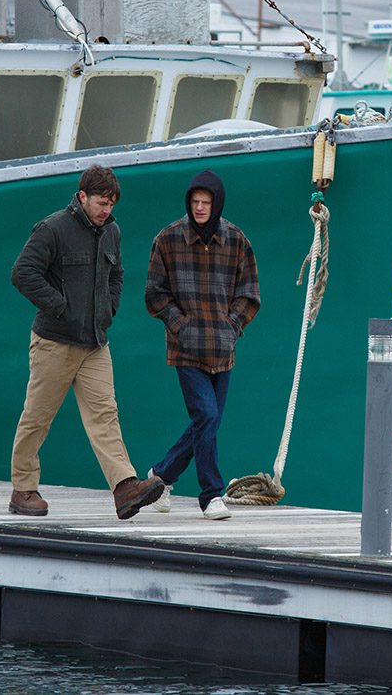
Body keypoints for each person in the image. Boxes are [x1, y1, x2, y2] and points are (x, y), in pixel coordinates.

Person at [8, 165, 164, 520]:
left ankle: (125, 488)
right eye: (100, 202)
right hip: (54, 341)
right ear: (82, 197)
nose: (106, 209)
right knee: (37, 417)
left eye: (110, 203)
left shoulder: (112, 232)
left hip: (95, 342)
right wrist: (59, 306)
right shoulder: (53, 229)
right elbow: (22, 272)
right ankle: (23, 490)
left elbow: (117, 275)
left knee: (105, 415)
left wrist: (108, 307)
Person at [144, 169, 260, 520]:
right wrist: (182, 326)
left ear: (217, 204)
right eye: (194, 202)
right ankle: (211, 495)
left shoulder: (237, 240)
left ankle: (160, 478)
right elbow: (154, 294)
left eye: (205, 202)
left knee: (205, 423)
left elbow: (250, 294)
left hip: (223, 349)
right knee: (207, 416)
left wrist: (232, 326)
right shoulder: (167, 240)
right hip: (185, 349)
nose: (199, 208)